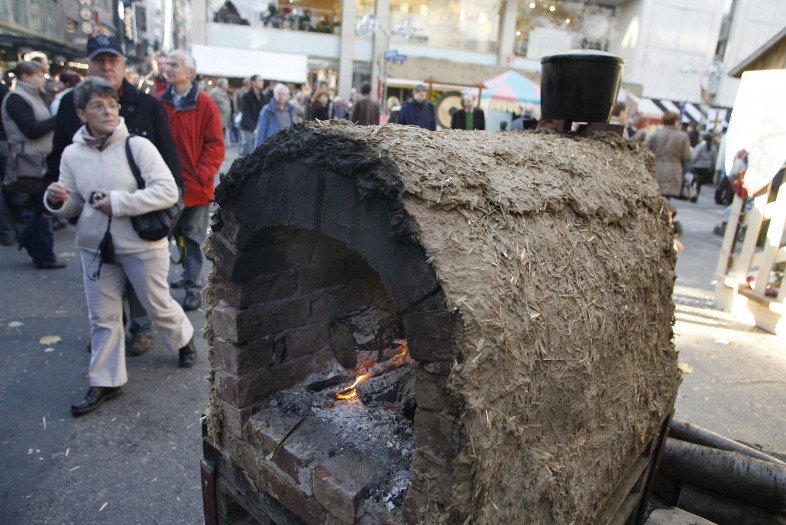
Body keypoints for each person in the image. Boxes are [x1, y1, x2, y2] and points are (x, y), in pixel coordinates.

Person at [44, 77, 197, 416]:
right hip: (95, 247)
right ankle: (106, 380)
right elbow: (74, 203)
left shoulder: (137, 146)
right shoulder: (72, 154)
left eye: (112, 105)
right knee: (102, 317)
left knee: (157, 304)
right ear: (82, 113)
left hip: (140, 244)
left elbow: (167, 191)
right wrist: (57, 200)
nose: (108, 111)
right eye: (98, 106)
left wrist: (117, 202)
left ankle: (184, 339)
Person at [47, 34, 183, 357]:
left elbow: (169, 168)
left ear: (123, 65)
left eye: (113, 60)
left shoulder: (147, 105)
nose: (107, 66)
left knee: (151, 296)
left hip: (142, 226)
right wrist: (55, 200)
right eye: (100, 60)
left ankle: (147, 330)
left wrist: (171, 209)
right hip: (95, 232)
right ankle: (108, 351)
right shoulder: (70, 108)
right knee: (103, 306)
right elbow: (62, 166)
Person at [160, 49, 226, 312]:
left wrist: (202, 174)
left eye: (174, 64)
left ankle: (192, 287)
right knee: (173, 235)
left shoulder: (205, 103)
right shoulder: (161, 102)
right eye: (168, 63)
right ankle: (185, 275)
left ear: (190, 72)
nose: (168, 68)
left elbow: (215, 145)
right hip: (166, 185)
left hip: (196, 186)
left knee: (193, 237)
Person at [1, 60, 62, 268]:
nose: (42, 79)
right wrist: (57, 119)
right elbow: (30, 129)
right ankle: (42, 253)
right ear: (26, 77)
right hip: (29, 160)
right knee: (39, 207)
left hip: (37, 158)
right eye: (39, 75)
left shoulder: (33, 96)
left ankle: (33, 244)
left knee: (38, 207)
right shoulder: (17, 99)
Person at [645, 112, 692, 199]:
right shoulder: (683, 136)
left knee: (656, 195)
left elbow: (645, 148)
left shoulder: (656, 134)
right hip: (674, 170)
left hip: (657, 167)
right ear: (676, 121)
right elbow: (686, 156)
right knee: (667, 198)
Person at [238, 74, 264, 155]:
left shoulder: (262, 96)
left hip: (258, 127)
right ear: (253, 82)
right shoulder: (246, 97)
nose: (262, 83)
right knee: (247, 151)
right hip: (248, 128)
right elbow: (245, 115)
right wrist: (253, 128)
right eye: (259, 81)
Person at [689, 132, 717, 202]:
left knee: (695, 180)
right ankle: (696, 193)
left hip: (697, 166)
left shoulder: (700, 146)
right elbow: (714, 159)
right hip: (706, 167)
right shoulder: (713, 148)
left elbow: (694, 156)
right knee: (699, 181)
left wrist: (692, 163)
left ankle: (693, 193)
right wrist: (711, 167)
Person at [210, 77, 232, 142]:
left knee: (222, 139)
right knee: (217, 139)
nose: (228, 86)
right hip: (218, 121)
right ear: (222, 84)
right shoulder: (214, 92)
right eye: (226, 84)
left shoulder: (224, 93)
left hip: (224, 121)